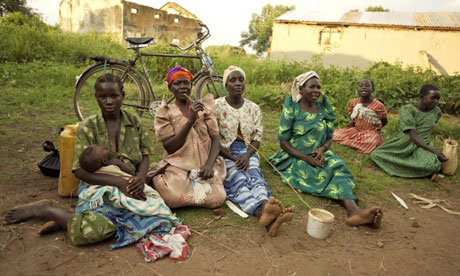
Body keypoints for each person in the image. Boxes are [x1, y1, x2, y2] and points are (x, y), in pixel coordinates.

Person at [3, 73, 180, 249]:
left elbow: (145, 155)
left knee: (160, 218)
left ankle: (69, 219)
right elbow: (79, 171)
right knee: (89, 232)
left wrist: (140, 178)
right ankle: (46, 210)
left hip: (131, 182)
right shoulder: (88, 127)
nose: (109, 101)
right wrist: (117, 182)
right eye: (103, 97)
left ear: (123, 96)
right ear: (96, 98)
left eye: (114, 96)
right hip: (98, 184)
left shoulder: (134, 121)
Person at [269, 71, 383, 228]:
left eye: (319, 87)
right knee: (318, 174)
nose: (316, 90)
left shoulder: (323, 109)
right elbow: (283, 142)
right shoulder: (292, 108)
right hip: (295, 156)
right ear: (301, 89)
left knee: (339, 168)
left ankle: (354, 212)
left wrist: (322, 150)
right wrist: (306, 158)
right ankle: (354, 211)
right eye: (312, 87)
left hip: (320, 153)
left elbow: (330, 137)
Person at [215, 66, 295, 237]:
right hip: (225, 152)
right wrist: (233, 157)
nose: (237, 83)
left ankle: (266, 209)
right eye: (232, 80)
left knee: (254, 175)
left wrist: (246, 155)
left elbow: (257, 138)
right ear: (225, 85)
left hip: (248, 151)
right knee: (238, 179)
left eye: (241, 80)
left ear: (245, 83)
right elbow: (212, 139)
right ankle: (266, 213)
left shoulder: (254, 108)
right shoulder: (216, 106)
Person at [148, 66, 226, 208]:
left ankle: (192, 186)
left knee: (218, 198)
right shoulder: (165, 112)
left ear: (191, 86)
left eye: (186, 83)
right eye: (177, 83)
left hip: (204, 164)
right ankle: (160, 179)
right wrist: (190, 120)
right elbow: (170, 147)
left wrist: (209, 164)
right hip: (179, 164)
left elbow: (215, 139)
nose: (182, 86)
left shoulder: (204, 108)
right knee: (172, 198)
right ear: (170, 88)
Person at [370, 84, 447, 178]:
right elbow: (413, 136)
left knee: (432, 165)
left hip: (424, 144)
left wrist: (431, 150)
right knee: (376, 155)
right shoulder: (407, 110)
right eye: (433, 98)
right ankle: (422, 171)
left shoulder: (437, 111)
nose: (436, 101)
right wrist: (435, 151)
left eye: (438, 99)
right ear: (421, 97)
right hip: (404, 142)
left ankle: (421, 169)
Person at [333, 79, 388, 153]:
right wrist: (351, 127)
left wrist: (377, 131)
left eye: (367, 86)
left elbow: (384, 120)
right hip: (356, 129)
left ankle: (351, 142)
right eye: (361, 86)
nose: (363, 88)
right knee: (335, 134)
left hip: (370, 132)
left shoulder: (378, 105)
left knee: (372, 142)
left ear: (373, 89)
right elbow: (352, 117)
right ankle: (355, 143)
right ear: (358, 89)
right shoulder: (353, 102)